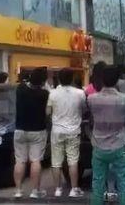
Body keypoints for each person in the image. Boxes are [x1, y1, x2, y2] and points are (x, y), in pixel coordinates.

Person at [88, 66, 125, 205]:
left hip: (99, 145)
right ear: (117, 80)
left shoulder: (92, 99)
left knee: (97, 184)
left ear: (102, 79)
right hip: (119, 145)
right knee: (123, 184)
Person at [47, 68, 86, 197]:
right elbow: (84, 109)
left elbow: (48, 112)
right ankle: (74, 189)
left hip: (57, 130)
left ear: (59, 79)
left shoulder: (52, 93)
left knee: (56, 162)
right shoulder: (80, 93)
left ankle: (58, 189)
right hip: (74, 130)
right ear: (72, 79)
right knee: (72, 161)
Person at [13, 68, 49, 199]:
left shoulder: (20, 89)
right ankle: (35, 191)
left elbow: (23, 83)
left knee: (20, 161)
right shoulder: (44, 94)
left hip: (20, 130)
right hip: (37, 130)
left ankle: (18, 190)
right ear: (43, 82)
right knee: (35, 161)